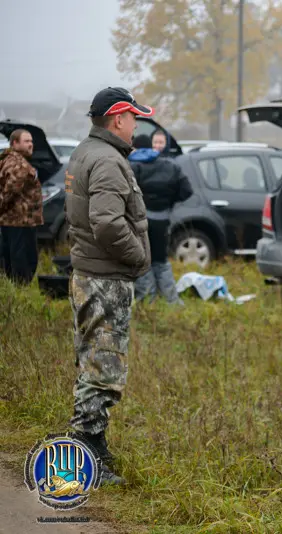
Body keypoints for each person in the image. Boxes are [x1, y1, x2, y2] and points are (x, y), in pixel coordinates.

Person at [64, 87, 154, 484]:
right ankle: (83, 456)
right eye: (134, 117)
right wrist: (138, 256)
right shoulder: (106, 161)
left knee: (94, 363)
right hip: (105, 281)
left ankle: (95, 444)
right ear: (118, 118)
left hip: (91, 275)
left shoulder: (86, 151)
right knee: (103, 368)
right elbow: (107, 222)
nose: (136, 125)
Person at [128, 134, 193, 304]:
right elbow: (187, 190)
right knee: (161, 260)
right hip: (163, 220)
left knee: (144, 260)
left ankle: (148, 301)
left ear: (134, 147)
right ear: (151, 147)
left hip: (141, 221)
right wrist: (169, 202)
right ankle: (172, 300)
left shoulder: (132, 166)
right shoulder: (170, 165)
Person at [0, 129, 41, 284]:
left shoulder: (8, 159)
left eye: (31, 141)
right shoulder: (18, 164)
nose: (31, 144)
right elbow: (9, 192)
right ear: (15, 143)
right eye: (26, 141)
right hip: (20, 220)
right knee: (23, 258)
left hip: (13, 219)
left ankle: (14, 286)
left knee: (10, 255)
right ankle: (20, 287)